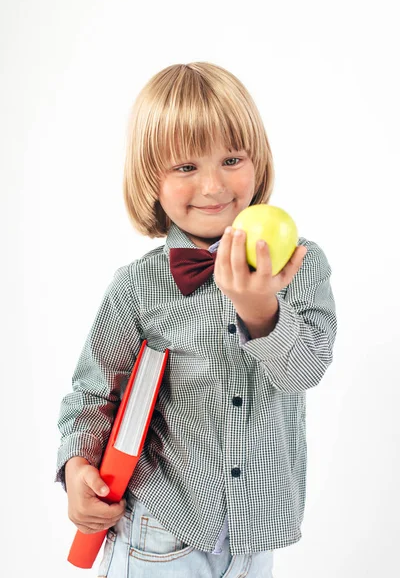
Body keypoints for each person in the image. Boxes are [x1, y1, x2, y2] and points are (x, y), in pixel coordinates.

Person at [55, 62, 337, 578]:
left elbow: (307, 372)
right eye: (185, 167)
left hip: (256, 530)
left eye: (231, 159)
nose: (213, 186)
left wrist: (262, 313)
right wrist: (76, 470)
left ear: (258, 160)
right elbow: (94, 396)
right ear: (151, 181)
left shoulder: (302, 263)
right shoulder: (137, 286)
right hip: (162, 531)